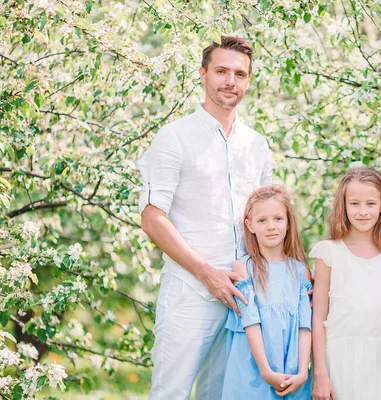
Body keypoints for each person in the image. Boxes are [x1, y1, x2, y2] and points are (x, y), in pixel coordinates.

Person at [138, 36, 272, 399]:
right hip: (190, 293)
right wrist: (206, 273)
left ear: (248, 80)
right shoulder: (174, 138)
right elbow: (151, 218)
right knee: (172, 394)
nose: (231, 81)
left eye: (240, 74)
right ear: (203, 74)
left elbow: (270, 219)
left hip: (243, 296)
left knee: (224, 395)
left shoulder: (256, 145)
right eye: (222, 71)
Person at [311, 167, 381, 400]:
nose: (363, 211)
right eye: (354, 203)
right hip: (339, 361)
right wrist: (321, 374)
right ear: (343, 205)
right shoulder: (329, 253)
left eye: (371, 204)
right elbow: (318, 317)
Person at [221, 186, 312, 399]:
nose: (271, 226)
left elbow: (305, 325)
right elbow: (250, 321)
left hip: (291, 370)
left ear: (288, 222)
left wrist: (302, 372)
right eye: (262, 220)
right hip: (253, 366)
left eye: (278, 219)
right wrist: (265, 370)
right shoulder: (243, 267)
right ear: (249, 225)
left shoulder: (300, 271)